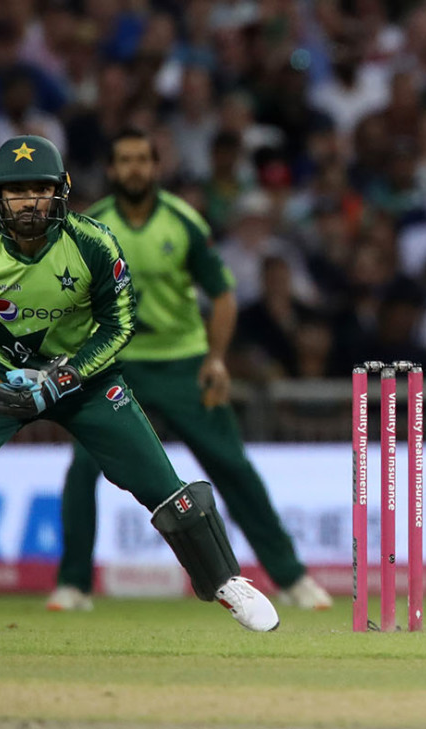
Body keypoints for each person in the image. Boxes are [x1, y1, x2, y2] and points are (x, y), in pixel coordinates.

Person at [0, 135, 279, 633]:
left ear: (61, 191)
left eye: (39, 190)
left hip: (84, 381)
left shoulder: (92, 242)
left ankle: (226, 582)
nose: (28, 202)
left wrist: (60, 379)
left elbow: (120, 326)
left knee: (165, 488)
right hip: (1, 376)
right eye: (16, 191)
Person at [47, 130, 330, 613]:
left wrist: (216, 359)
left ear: (155, 167)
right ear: (112, 171)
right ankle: (73, 585)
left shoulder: (183, 222)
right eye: (124, 160)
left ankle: (293, 578)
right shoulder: (91, 227)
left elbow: (222, 295)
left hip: (183, 364)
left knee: (233, 468)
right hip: (116, 365)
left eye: (142, 159)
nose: (134, 168)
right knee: (82, 470)